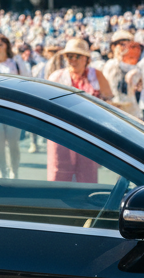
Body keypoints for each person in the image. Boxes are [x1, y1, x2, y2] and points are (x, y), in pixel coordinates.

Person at [45, 38, 111, 182]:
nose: (73, 60)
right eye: (69, 56)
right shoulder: (57, 76)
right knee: (59, 173)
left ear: (86, 58)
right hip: (60, 133)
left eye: (77, 56)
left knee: (87, 174)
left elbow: (109, 101)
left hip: (89, 132)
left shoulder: (97, 75)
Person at [0, 35, 29, 177]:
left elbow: (27, 82)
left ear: (6, 46)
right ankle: (1, 174)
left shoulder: (16, 62)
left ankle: (14, 173)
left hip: (13, 109)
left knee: (13, 144)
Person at [102, 30, 141, 118]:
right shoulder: (109, 65)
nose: (125, 48)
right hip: (113, 109)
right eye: (122, 44)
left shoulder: (135, 66)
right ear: (113, 47)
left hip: (131, 110)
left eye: (129, 45)